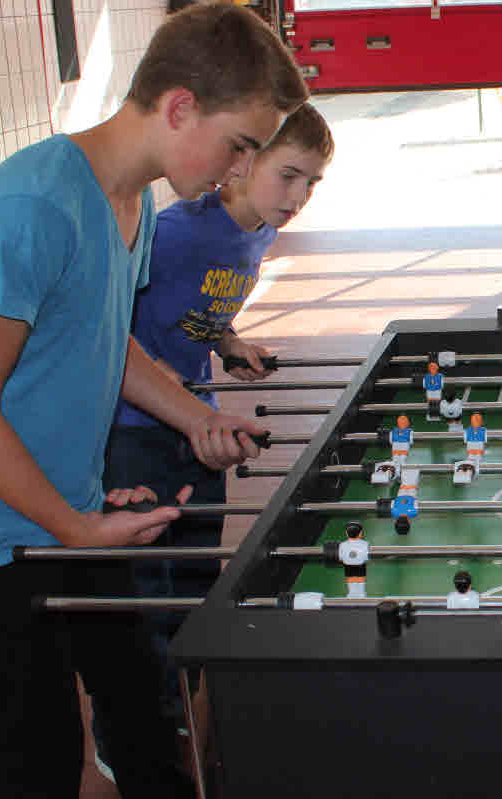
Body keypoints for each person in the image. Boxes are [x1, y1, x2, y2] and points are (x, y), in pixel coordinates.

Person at [0, 1, 307, 799]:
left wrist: (197, 417)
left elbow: (104, 340)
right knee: (41, 748)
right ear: (180, 106)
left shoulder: (132, 203)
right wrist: (76, 527)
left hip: (66, 512)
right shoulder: (31, 210)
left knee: (144, 711)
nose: (242, 169)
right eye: (240, 145)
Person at [97, 103, 333, 748]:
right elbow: (108, 327)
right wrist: (173, 394)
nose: (299, 197)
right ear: (245, 160)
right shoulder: (175, 234)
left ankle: (184, 698)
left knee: (199, 569)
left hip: (194, 424)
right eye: (288, 175)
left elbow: (198, 309)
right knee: (149, 582)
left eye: (313, 182)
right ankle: (133, 730)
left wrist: (229, 344)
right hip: (132, 427)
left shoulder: (256, 233)